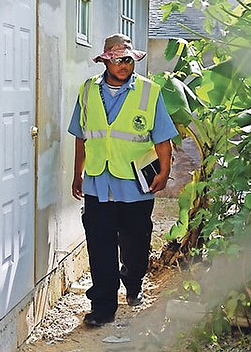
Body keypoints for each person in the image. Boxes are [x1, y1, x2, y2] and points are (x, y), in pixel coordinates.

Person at [68, 33, 178, 327]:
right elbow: (81, 136)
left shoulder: (149, 92)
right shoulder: (87, 90)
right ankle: (102, 307)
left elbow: (163, 138)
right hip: (97, 182)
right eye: (117, 59)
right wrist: (77, 173)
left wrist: (165, 172)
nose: (123, 65)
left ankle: (133, 281)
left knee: (135, 244)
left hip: (135, 185)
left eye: (128, 59)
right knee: (99, 244)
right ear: (106, 60)